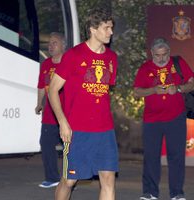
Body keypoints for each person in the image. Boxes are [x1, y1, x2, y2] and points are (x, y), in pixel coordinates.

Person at [48, 8, 119, 200]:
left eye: (111, 28)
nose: (111, 32)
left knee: (108, 180)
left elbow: (103, 90)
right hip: (77, 130)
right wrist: (62, 122)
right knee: (69, 181)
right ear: (93, 29)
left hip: (105, 130)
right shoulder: (73, 55)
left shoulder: (112, 58)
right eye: (106, 28)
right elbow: (53, 90)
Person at [133, 37, 194, 200]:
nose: (161, 58)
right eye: (157, 55)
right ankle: (150, 192)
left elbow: (192, 83)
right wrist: (153, 90)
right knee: (151, 157)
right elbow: (137, 92)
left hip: (176, 118)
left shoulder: (178, 62)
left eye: (164, 54)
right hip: (152, 120)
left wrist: (179, 88)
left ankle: (177, 193)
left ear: (169, 52)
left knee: (176, 156)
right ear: (152, 53)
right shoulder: (145, 68)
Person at [35, 32, 65, 188]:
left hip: (67, 114)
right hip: (49, 114)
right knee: (46, 143)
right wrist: (39, 103)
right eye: (50, 43)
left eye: (55, 43)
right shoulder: (46, 64)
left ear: (63, 46)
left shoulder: (69, 62)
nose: (50, 46)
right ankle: (52, 178)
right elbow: (41, 86)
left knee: (71, 146)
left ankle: (73, 176)